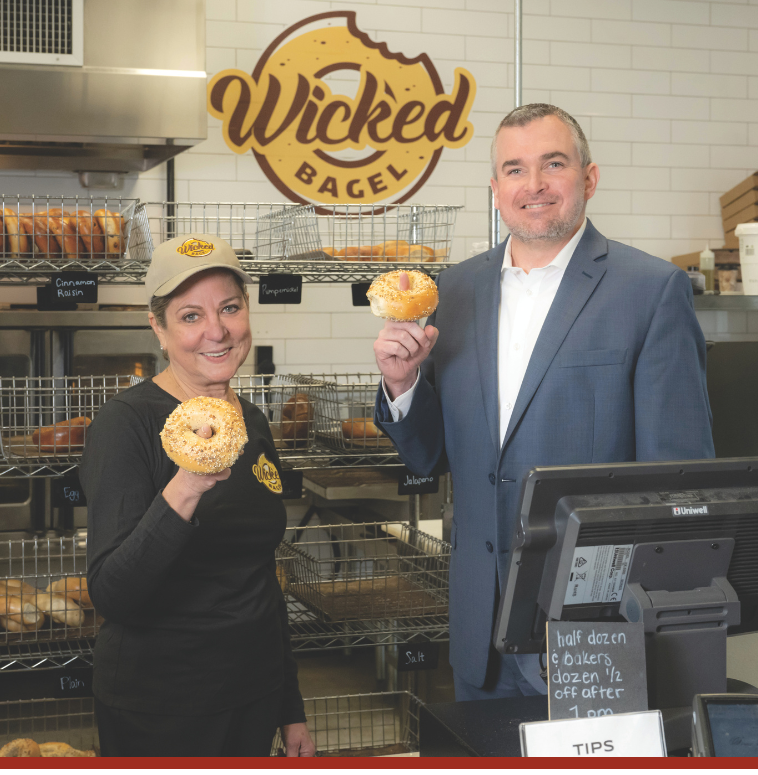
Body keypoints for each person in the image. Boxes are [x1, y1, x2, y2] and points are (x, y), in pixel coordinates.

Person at [372, 103, 715, 702]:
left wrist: (662, 624)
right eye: (514, 169)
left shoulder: (650, 290)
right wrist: (402, 386)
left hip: (594, 626)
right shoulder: (454, 291)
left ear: (588, 177)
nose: (533, 186)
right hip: (481, 623)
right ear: (495, 187)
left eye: (552, 164)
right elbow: (432, 460)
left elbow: (678, 481)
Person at [80, 233, 315, 757]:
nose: (217, 331)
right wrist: (188, 484)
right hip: (161, 705)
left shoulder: (250, 421)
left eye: (229, 308)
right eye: (190, 316)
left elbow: (261, 576)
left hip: (253, 694)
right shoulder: (126, 424)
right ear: (158, 329)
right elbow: (113, 594)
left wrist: (289, 705)